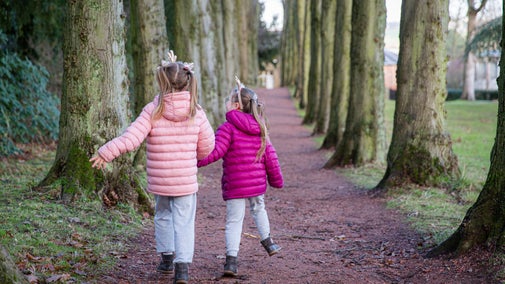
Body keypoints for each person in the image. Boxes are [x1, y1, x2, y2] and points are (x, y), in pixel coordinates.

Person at [90, 50, 215, 284]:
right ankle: (182, 270)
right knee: (184, 222)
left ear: (163, 81)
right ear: (188, 81)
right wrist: (192, 156)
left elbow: (131, 139)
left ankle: (167, 259)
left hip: (160, 182)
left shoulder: (153, 110)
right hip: (185, 181)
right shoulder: (196, 112)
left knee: (163, 217)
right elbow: (207, 147)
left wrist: (105, 152)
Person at [197, 76, 284, 277]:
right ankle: (268, 242)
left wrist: (194, 162)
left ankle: (231, 261)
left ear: (236, 105)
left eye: (228, 101)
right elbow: (270, 156)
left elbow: (216, 151)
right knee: (259, 208)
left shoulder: (227, 127)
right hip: (256, 184)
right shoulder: (260, 127)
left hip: (236, 184)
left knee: (234, 221)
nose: (226, 104)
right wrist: (276, 180)